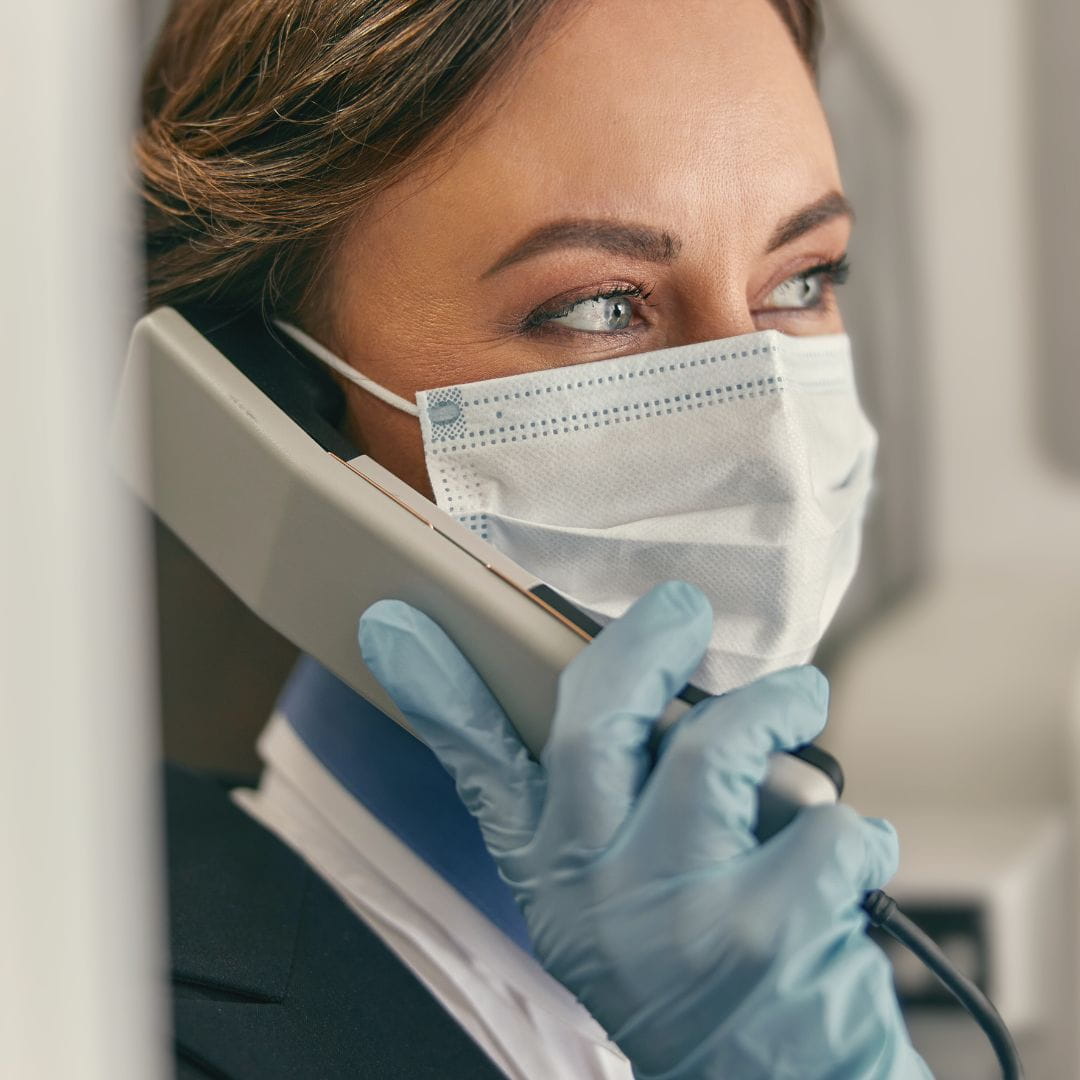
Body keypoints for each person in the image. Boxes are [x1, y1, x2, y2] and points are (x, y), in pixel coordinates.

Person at [139, 0, 933, 1076]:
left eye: (800, 281)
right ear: (273, 397)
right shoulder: (105, 1023)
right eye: (601, 306)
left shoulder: (794, 989)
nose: (770, 443)